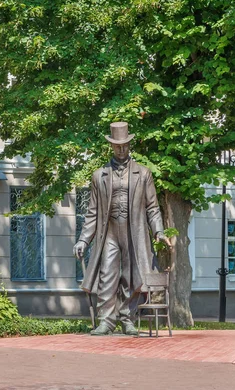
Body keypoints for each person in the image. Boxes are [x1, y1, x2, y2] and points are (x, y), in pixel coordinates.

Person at [74, 122, 171, 336]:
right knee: (106, 275)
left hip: (133, 232)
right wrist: (83, 240)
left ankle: (128, 318)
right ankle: (106, 321)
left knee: (130, 276)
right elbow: (92, 212)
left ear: (129, 145)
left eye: (124, 145)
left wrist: (159, 232)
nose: (121, 149)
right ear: (111, 146)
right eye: (117, 146)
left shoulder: (143, 174)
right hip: (108, 232)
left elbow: (152, 207)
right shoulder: (99, 175)